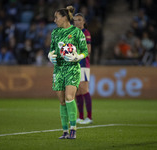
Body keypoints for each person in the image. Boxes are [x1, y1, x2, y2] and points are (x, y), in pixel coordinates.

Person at [48, 6, 88, 139]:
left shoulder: (76, 32)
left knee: (69, 98)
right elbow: (52, 49)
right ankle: (65, 131)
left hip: (72, 69)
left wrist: (78, 57)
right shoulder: (55, 33)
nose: (54, 20)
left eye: (56, 17)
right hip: (59, 69)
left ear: (64, 17)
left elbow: (85, 51)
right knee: (62, 101)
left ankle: (73, 130)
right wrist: (50, 55)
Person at [73, 13, 93, 124]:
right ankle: (80, 117)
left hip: (83, 64)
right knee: (77, 91)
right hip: (74, 64)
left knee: (84, 89)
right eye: (75, 20)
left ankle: (89, 117)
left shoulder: (86, 33)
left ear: (84, 21)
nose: (77, 22)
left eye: (79, 20)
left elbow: (88, 50)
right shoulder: (73, 33)